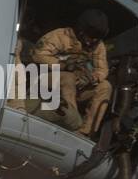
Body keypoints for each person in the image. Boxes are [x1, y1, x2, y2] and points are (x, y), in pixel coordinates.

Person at [32, 9, 111, 137]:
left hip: (75, 86)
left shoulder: (98, 45)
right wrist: (63, 65)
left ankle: (85, 132)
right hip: (44, 81)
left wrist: (91, 78)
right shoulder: (60, 36)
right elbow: (38, 55)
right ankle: (72, 124)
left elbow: (102, 70)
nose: (92, 41)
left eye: (97, 38)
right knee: (68, 78)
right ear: (81, 30)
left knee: (105, 87)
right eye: (91, 36)